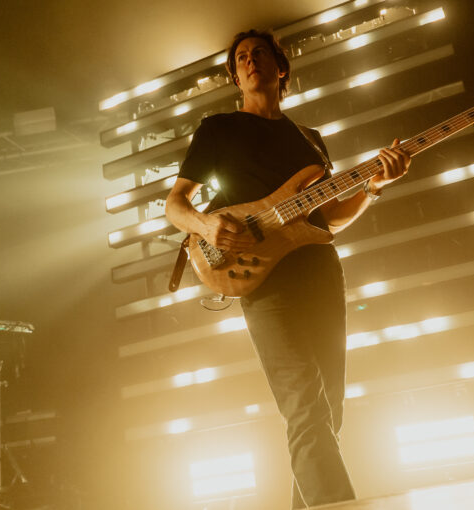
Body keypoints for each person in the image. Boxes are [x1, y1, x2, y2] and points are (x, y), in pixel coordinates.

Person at [165, 29, 411, 508]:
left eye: (259, 53)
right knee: (304, 405)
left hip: (319, 270)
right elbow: (176, 204)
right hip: (262, 280)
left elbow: (329, 218)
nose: (249, 60)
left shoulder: (310, 141)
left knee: (329, 408)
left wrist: (374, 187)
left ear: (281, 68)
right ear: (235, 78)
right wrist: (207, 224)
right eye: (241, 58)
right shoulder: (218, 129)